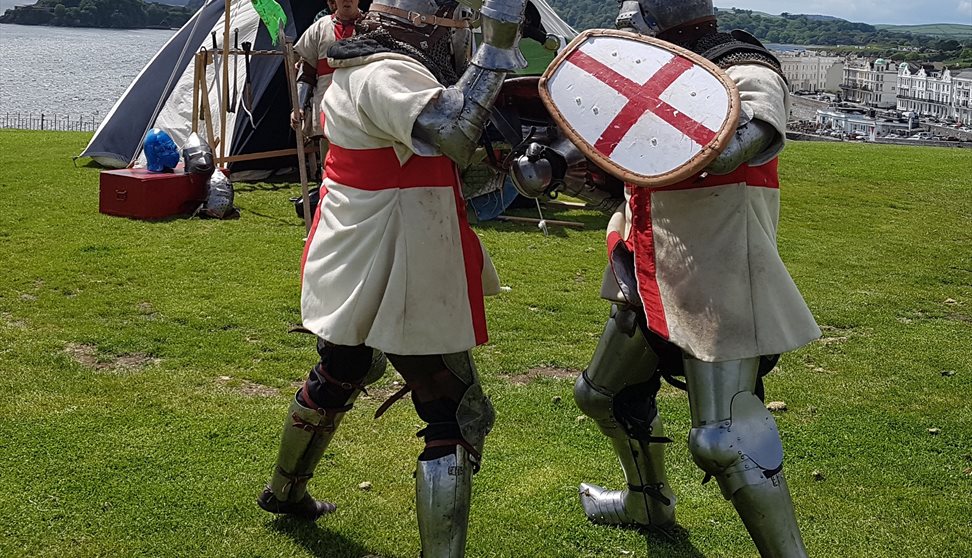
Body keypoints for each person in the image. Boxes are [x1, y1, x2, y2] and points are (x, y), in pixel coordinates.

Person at [257, 0, 527, 555]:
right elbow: (451, 132)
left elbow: (441, 151)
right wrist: (497, 48)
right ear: (429, 25)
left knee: (345, 364)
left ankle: (285, 492)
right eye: (456, 26)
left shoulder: (364, 66)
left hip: (354, 242)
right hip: (395, 249)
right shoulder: (388, 71)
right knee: (453, 407)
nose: (462, 38)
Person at [568, 1, 821, 556]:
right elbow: (634, 173)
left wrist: (659, 114)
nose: (623, 33)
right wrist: (572, 167)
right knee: (602, 396)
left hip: (720, 276)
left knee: (721, 439)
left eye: (632, 24)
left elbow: (730, 148)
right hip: (646, 264)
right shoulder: (649, 77)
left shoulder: (744, 69)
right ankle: (647, 500)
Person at [291, 0, 361, 167]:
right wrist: (299, 106)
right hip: (326, 109)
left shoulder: (370, 27)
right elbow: (307, 73)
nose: (347, 1)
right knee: (329, 166)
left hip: (360, 110)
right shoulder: (320, 27)